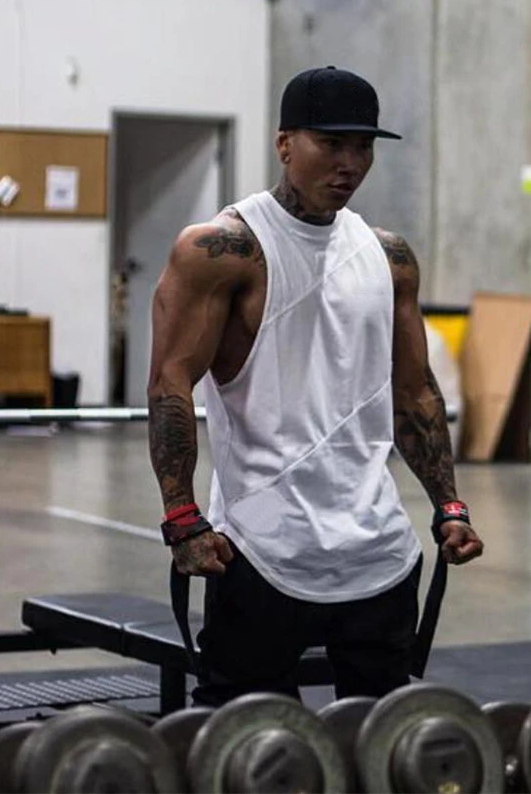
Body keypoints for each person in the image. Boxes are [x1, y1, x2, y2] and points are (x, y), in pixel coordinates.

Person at [148, 66, 484, 706]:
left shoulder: (390, 257)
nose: (349, 164)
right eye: (331, 144)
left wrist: (449, 505)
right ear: (284, 143)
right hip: (262, 552)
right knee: (252, 740)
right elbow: (170, 385)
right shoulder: (224, 250)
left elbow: (414, 393)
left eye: (363, 147)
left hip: (378, 553)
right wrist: (182, 519)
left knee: (381, 735)